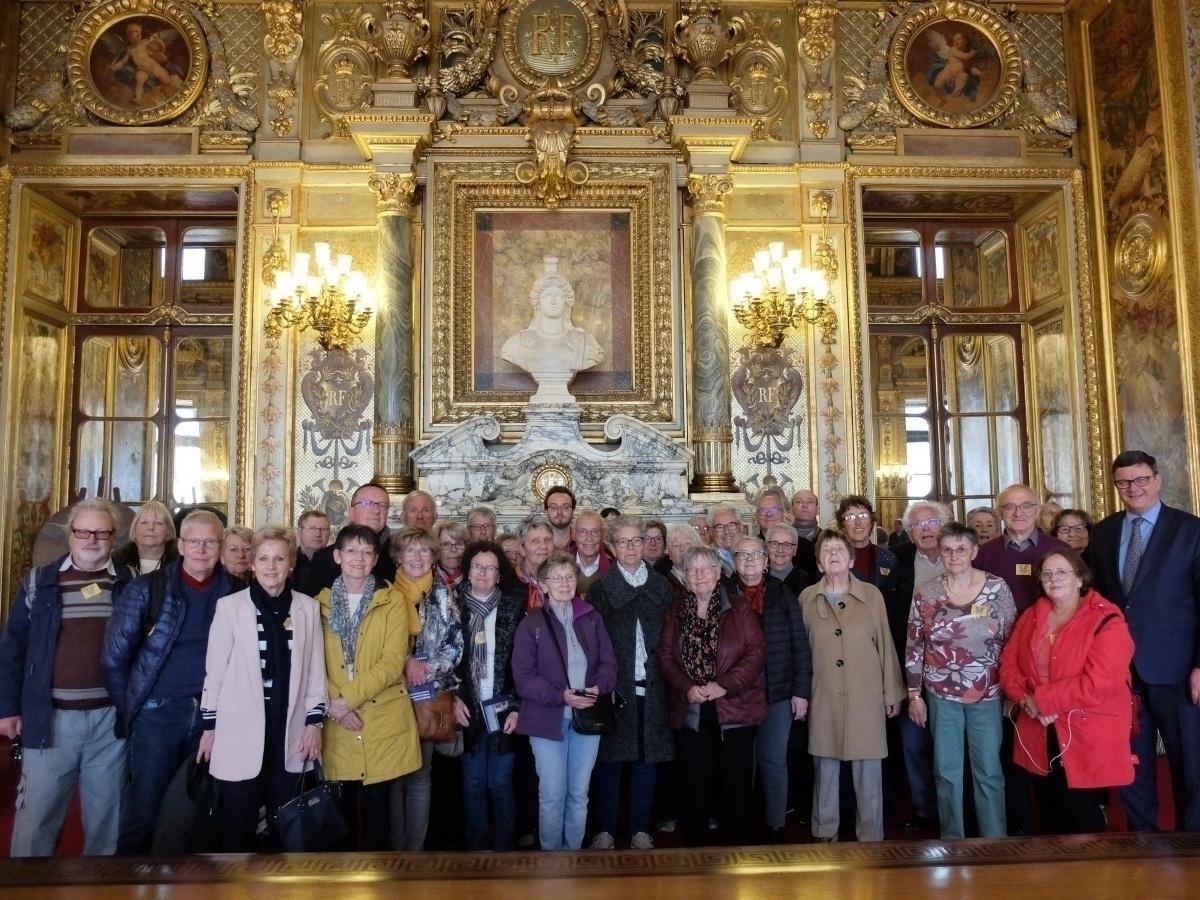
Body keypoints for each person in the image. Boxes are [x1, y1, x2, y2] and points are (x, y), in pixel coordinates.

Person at [0, 498, 135, 857]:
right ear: (70, 536)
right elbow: (13, 649)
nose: (92, 539)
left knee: (109, 824)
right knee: (35, 824)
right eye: (83, 531)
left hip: (110, 723)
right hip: (50, 720)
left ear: (113, 538)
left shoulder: (130, 582)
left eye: (101, 532)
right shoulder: (38, 582)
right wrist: (8, 708)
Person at [102, 509, 238, 855]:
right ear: (180, 545)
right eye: (194, 541)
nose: (202, 549)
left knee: (202, 810)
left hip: (214, 717)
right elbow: (114, 659)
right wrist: (134, 708)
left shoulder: (237, 591)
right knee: (146, 809)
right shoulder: (147, 589)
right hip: (158, 712)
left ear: (221, 547)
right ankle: (130, 886)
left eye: (210, 542)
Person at [196, 525, 327, 853]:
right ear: (252, 563)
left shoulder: (307, 609)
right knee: (237, 825)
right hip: (238, 730)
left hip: (290, 730)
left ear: (290, 564)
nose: (271, 566)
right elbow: (216, 672)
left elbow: (315, 672)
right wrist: (210, 727)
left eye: (279, 558)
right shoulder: (231, 607)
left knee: (285, 827)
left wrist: (314, 723)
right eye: (264, 558)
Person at [1089, 450, 1200, 832]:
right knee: (1131, 762)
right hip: (1121, 671)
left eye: (1140, 480)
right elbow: (1099, 601)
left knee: (1190, 764)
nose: (1132, 488)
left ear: (1157, 480)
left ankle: (1191, 843)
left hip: (1178, 669)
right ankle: (1142, 841)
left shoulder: (1191, 529)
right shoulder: (1103, 532)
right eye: (1124, 482)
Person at [1000, 548, 1135, 834]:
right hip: (1038, 728)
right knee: (1049, 811)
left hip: (1086, 729)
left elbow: (1102, 682)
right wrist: (1027, 700)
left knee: (1081, 814)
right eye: (1047, 573)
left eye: (1062, 572)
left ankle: (1092, 878)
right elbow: (1008, 665)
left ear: (1079, 578)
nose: (1054, 578)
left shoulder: (1107, 619)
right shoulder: (1031, 616)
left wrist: (1043, 701)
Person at [905, 522, 1016, 839]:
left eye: (961, 549)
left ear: (974, 551)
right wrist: (914, 694)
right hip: (941, 694)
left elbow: (1012, 640)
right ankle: (953, 839)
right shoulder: (927, 593)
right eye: (947, 549)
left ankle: (994, 839)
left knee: (989, 771)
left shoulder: (997, 588)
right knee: (947, 771)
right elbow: (914, 644)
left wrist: (1012, 689)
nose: (954, 555)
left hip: (988, 694)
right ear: (940, 553)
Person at [317, 524, 422, 850]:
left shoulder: (392, 601)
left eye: (366, 552)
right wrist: (337, 702)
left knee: (379, 813)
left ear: (376, 559)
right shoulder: (316, 604)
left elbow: (392, 663)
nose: (358, 558)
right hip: (337, 721)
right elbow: (311, 664)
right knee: (342, 815)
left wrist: (346, 699)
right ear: (337, 556)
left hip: (380, 717)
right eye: (351, 550)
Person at [975, 485, 1070, 835]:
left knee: (1049, 746)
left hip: (1049, 666)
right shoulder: (984, 554)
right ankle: (1019, 827)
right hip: (996, 664)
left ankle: (1054, 824)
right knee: (1006, 750)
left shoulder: (1057, 551)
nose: (1018, 513)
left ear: (1038, 509)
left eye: (1026, 506)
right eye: (1010, 507)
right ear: (1000, 512)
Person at [800, 529, 905, 843]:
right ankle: (824, 832)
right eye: (827, 550)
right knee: (825, 767)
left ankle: (870, 835)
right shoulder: (807, 597)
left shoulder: (872, 595)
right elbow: (800, 652)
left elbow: (885, 643)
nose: (833, 554)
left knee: (868, 769)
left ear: (850, 558)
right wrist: (801, 695)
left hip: (865, 693)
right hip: (823, 695)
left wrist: (892, 692)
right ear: (819, 562)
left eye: (839, 550)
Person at [659, 544, 767, 846]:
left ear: (719, 573)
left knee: (736, 785)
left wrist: (724, 685)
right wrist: (686, 688)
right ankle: (696, 853)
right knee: (695, 784)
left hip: (734, 708)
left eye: (706, 568)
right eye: (692, 570)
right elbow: (666, 656)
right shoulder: (676, 612)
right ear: (685, 575)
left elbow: (756, 653)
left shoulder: (739, 607)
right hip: (693, 709)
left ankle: (741, 853)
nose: (699, 574)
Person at [512, 553, 617, 850]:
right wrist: (561, 696)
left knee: (579, 793)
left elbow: (609, 663)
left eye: (569, 576)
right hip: (547, 720)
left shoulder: (592, 617)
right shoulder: (531, 623)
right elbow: (523, 677)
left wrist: (598, 687)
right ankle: (551, 861)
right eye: (556, 577)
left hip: (587, 717)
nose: (564, 583)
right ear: (543, 585)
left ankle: (573, 857)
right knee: (552, 794)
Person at [587, 517, 675, 851]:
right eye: (623, 542)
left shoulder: (661, 586)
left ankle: (641, 828)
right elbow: (592, 643)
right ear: (611, 546)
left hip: (653, 687)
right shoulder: (600, 588)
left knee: (646, 760)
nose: (630, 548)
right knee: (610, 761)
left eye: (636, 541)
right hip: (615, 688)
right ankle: (605, 829)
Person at [730, 536, 811, 843]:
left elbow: (800, 646)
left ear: (766, 561)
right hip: (737, 694)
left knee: (773, 758)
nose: (749, 560)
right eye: (742, 555)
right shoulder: (725, 593)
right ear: (734, 562)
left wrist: (801, 691)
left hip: (777, 691)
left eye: (755, 555)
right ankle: (743, 823)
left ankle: (776, 824)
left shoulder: (782, 593)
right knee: (741, 762)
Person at [389, 526, 464, 850]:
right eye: (411, 550)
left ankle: (414, 852)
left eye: (424, 551)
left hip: (427, 695)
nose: (418, 557)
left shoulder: (443, 594)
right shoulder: (385, 591)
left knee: (420, 779)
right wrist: (405, 663)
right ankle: (393, 852)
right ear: (399, 555)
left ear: (433, 556)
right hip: (390, 694)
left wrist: (427, 668)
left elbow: (456, 644)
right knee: (393, 779)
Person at [453, 542, 525, 851]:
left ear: (499, 574)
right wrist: (452, 699)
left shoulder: (515, 604)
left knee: (500, 783)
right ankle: (476, 848)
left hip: (503, 707)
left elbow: (525, 662)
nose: (483, 573)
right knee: (472, 783)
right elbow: (442, 657)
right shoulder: (451, 604)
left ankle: (506, 848)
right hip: (466, 707)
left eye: (490, 568)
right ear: (468, 571)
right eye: (477, 567)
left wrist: (518, 706)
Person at [885, 501, 948, 833]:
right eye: (919, 525)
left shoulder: (962, 555)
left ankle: (955, 809)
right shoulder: (899, 563)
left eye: (933, 522)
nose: (926, 529)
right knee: (915, 744)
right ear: (909, 531)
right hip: (912, 667)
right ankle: (926, 809)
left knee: (951, 745)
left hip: (956, 671)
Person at [501, 259, 603, 378]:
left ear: (566, 303)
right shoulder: (517, 342)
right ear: (538, 303)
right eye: (547, 296)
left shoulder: (584, 342)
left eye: (558, 296)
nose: (553, 301)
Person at [295, 483, 397, 595]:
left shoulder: (400, 555)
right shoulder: (323, 559)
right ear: (351, 513)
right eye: (367, 503)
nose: (376, 511)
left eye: (382, 505)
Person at [112, 500, 178, 574]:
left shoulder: (182, 562)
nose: (151, 527)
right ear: (134, 528)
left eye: (158, 523)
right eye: (144, 522)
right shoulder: (117, 562)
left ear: (168, 529)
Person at [765, 523, 815, 597]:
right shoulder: (757, 580)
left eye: (787, 544)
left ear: (795, 550)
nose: (780, 550)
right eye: (774, 543)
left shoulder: (810, 583)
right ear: (767, 547)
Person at [573, 509, 610, 595]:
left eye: (595, 532)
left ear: (603, 535)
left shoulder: (614, 568)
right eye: (583, 532)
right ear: (574, 535)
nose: (589, 538)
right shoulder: (560, 565)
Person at [293, 510, 331, 588]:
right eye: (312, 528)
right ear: (299, 532)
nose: (318, 534)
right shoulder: (288, 562)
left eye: (323, 529)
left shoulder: (339, 563)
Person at [710, 505, 744, 577]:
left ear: (741, 528)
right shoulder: (708, 559)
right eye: (719, 527)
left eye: (731, 525)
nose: (726, 532)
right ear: (711, 532)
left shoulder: (754, 553)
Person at [435, 521, 468, 587]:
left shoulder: (475, 578)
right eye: (446, 544)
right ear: (437, 547)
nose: (454, 550)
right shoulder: (430, 579)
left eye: (459, 544)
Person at [544, 486, 577, 552]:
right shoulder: (540, 545)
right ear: (546, 512)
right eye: (554, 507)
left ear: (573, 511)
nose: (559, 512)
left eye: (565, 507)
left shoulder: (584, 542)